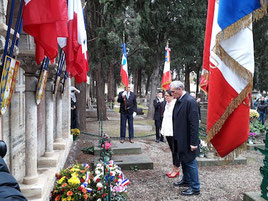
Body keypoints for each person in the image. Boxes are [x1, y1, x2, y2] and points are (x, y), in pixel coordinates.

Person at [170, 81, 200, 196]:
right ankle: (186, 180)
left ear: (179, 89)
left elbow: (194, 124)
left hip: (188, 139)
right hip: (180, 137)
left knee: (191, 162)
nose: (172, 94)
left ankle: (195, 187)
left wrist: (193, 142)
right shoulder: (180, 100)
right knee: (183, 160)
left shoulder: (190, 101)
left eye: (173, 91)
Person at [160, 90, 180, 178]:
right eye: (165, 96)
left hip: (173, 131)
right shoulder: (166, 104)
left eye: (168, 96)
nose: (166, 97)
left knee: (175, 150)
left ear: (172, 96)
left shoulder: (175, 104)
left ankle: (176, 168)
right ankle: (174, 167)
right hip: (167, 130)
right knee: (172, 150)